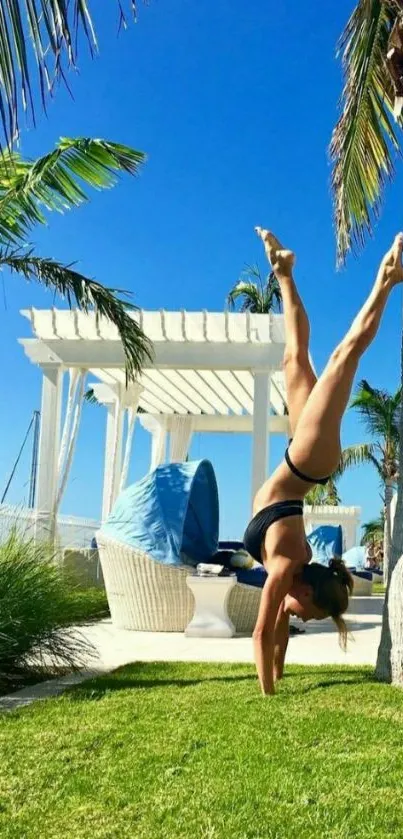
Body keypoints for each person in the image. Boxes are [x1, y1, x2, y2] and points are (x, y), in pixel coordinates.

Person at [244, 228, 403, 695]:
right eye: (306, 614)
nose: (297, 619)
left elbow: (270, 633)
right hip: (307, 461)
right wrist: (268, 693)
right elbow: (262, 632)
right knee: (342, 357)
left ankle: (284, 272)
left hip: (300, 457)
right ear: (308, 592)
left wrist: (275, 677)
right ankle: (388, 279)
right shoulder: (286, 566)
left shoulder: (286, 571)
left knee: (294, 359)